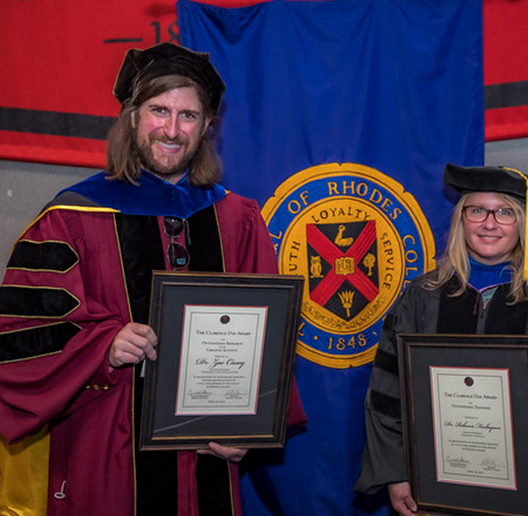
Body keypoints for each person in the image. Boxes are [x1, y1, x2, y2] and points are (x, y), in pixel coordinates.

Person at [0, 42, 304, 516]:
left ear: (206, 128)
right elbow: (22, 335)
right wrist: (104, 345)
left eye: (188, 115)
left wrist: (247, 429)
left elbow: (269, 341)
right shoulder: (70, 218)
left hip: (207, 446)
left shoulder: (237, 219)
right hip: (106, 443)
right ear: (132, 117)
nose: (171, 129)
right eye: (159, 110)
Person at [355, 163, 528, 516]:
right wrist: (395, 473)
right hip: (437, 492)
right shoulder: (424, 294)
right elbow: (388, 390)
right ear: (461, 220)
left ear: (522, 223)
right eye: (477, 210)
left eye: (505, 212)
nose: (490, 222)